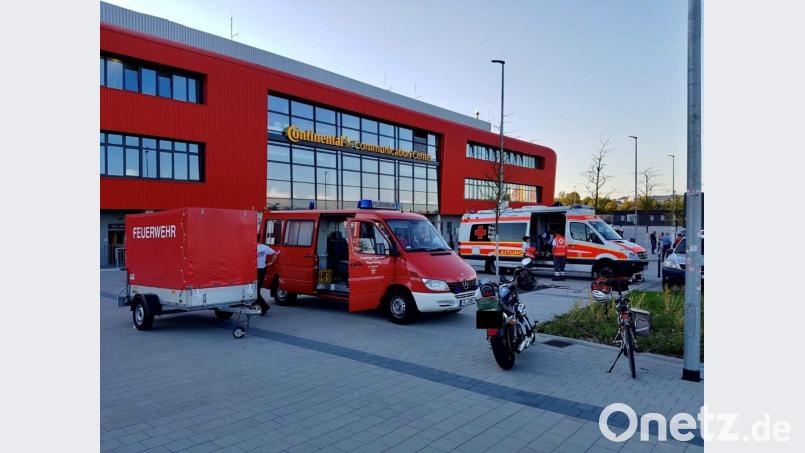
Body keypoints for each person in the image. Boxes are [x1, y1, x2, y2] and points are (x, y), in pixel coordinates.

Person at [256, 238, 277, 315]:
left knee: (255, 291)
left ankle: (264, 306)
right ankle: (259, 305)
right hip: (262, 270)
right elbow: (275, 254)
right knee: (257, 290)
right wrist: (271, 263)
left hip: (255, 271)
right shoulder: (264, 247)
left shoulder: (251, 247)